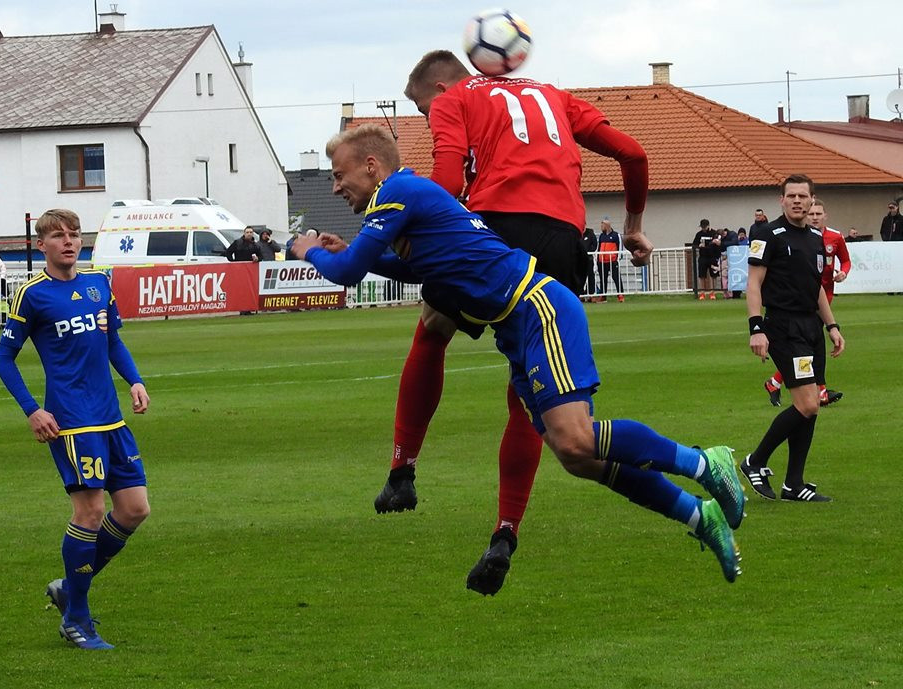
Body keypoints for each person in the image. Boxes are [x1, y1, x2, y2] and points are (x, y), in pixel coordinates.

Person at [292, 125, 744, 587]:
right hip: (515, 329)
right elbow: (419, 267)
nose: (335, 187)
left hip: (537, 309)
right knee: (577, 457)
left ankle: (706, 463)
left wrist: (307, 250)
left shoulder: (396, 191)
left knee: (577, 438)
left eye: (339, 174)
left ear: (371, 166)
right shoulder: (406, 196)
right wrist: (353, 253)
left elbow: (348, 273)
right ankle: (698, 516)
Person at [380, 49, 650, 592]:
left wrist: (417, 230)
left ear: (440, 89)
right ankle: (506, 530)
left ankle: (402, 469)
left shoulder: (457, 99)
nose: (427, 120)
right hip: (562, 239)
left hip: (493, 227)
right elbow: (633, 152)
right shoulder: (555, 95)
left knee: (432, 330)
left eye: (423, 110)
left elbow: (447, 179)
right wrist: (633, 224)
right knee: (525, 391)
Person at [0, 209, 151, 650]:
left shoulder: (99, 283)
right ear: (41, 245)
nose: (68, 241)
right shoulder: (32, 295)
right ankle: (76, 618)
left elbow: (113, 341)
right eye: (58, 235)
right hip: (72, 423)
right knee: (90, 513)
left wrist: (135, 380)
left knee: (135, 509)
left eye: (74, 234)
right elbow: (3, 359)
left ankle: (69, 587)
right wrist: (33, 410)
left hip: (111, 416)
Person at [742, 175, 845, 503]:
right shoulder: (767, 234)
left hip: (811, 328)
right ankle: (755, 461)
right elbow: (754, 283)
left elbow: (816, 288)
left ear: (812, 200)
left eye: (803, 196)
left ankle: (793, 484)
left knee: (813, 407)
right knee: (807, 403)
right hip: (784, 328)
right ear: (782, 200)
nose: (797, 201)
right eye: (792, 196)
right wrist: (756, 328)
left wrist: (831, 326)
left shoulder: (816, 238)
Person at [763, 199, 850, 407]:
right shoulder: (791, 237)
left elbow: (845, 261)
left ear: (825, 215)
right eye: (812, 214)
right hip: (801, 304)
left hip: (823, 298)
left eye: (819, 214)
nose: (815, 217)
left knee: (809, 348)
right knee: (807, 349)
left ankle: (776, 382)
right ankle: (819, 390)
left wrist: (843, 273)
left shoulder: (833, 237)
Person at [596, 218, 625, 302]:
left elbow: (620, 247)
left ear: (607, 226)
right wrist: (598, 259)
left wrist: (618, 259)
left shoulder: (616, 235)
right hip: (602, 261)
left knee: (616, 278)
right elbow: (599, 248)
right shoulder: (601, 236)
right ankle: (603, 296)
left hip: (612, 261)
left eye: (602, 225)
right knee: (603, 279)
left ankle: (620, 295)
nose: (601, 227)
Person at [692, 219, 720, 300]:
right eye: (702, 227)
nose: (703, 228)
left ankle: (712, 292)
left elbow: (719, 243)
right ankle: (702, 293)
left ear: (708, 226)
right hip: (703, 257)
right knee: (702, 276)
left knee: (713, 276)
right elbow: (694, 245)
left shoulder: (714, 233)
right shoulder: (699, 234)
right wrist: (699, 245)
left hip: (712, 257)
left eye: (704, 227)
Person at [579, 226, 598, 301]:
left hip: (589, 258)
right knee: (580, 277)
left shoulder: (590, 233)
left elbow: (594, 244)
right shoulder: (578, 233)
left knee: (591, 276)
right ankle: (581, 294)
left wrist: (588, 252)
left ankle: (591, 294)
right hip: (580, 259)